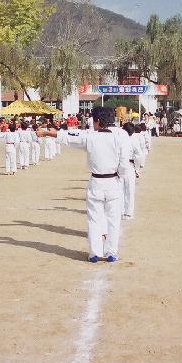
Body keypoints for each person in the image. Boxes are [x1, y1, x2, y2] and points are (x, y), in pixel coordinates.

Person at [39, 106, 131, 262]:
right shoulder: (121, 136)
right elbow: (124, 163)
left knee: (94, 219)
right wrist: (119, 176)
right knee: (113, 219)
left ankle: (95, 252)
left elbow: (68, 136)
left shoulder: (90, 136)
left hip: (96, 181)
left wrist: (47, 132)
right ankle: (111, 252)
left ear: (98, 121)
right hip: (113, 181)